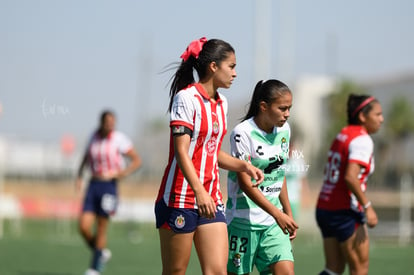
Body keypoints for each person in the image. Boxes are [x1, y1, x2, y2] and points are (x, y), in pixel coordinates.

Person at [154, 37, 264, 275]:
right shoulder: (186, 98)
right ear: (214, 66)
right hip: (180, 197)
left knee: (217, 271)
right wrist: (198, 191)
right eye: (231, 66)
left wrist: (243, 166)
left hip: (211, 197)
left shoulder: (222, 103)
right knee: (175, 271)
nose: (235, 73)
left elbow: (211, 152)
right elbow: (182, 151)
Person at [226, 79, 299, 275]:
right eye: (282, 108)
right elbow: (245, 183)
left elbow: (279, 173)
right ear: (264, 106)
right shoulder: (242, 133)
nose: (287, 114)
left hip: (272, 224)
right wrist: (278, 214)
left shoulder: (285, 130)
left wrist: (287, 213)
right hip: (242, 223)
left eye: (289, 108)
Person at [315, 94, 383, 275]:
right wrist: (368, 207)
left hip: (324, 206)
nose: (381, 119)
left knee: (333, 268)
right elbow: (350, 177)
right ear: (362, 116)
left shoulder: (343, 134)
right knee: (359, 268)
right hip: (345, 211)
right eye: (377, 114)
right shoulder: (362, 139)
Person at [76, 110, 142, 275]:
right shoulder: (93, 136)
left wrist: (121, 173)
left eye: (113, 122)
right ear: (102, 122)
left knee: (101, 226)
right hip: (93, 184)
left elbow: (136, 160)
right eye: (108, 122)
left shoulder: (119, 139)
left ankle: (94, 267)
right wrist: (79, 176)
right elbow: (85, 157)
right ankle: (101, 253)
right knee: (83, 226)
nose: (110, 125)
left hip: (109, 186)